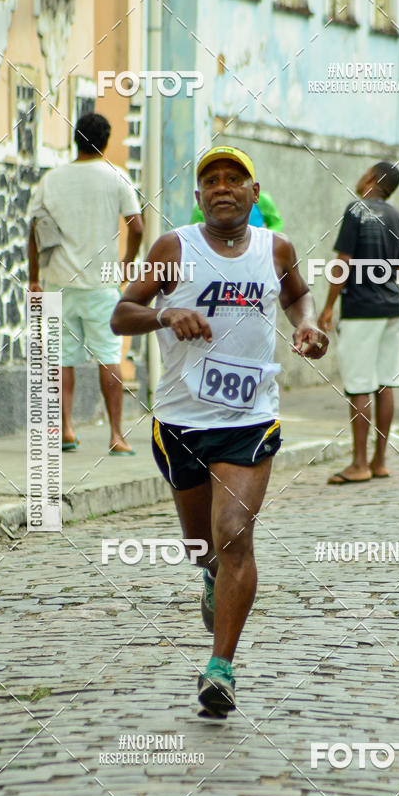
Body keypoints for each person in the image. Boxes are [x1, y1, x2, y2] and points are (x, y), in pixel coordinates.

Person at [111, 145, 328, 718]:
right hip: (181, 421)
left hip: (249, 418)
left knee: (234, 533)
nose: (223, 188)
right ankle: (209, 573)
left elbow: (298, 294)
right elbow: (120, 314)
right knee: (203, 544)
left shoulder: (274, 248)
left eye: (236, 179)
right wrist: (164, 314)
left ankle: (220, 668)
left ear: (255, 194)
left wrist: (307, 325)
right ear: (200, 195)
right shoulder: (171, 248)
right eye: (212, 181)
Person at [28, 112, 143, 454]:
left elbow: (33, 230)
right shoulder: (116, 177)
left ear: (75, 139)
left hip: (58, 282)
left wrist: (34, 278)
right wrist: (126, 265)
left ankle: (66, 429)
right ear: (106, 142)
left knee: (61, 359)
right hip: (101, 284)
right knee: (109, 357)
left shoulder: (51, 180)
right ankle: (117, 436)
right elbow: (136, 226)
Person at [318, 161, 399, 484]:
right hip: (393, 308)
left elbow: (343, 263)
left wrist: (328, 307)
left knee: (359, 385)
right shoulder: (398, 217)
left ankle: (358, 464)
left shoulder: (355, 211)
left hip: (361, 310)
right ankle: (379, 461)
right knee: (385, 384)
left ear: (371, 178)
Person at [189, 189, 284, 231]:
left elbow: (276, 223)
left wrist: (264, 238)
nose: (223, 187)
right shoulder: (203, 206)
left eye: (233, 179)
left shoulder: (261, 199)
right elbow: (193, 234)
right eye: (213, 181)